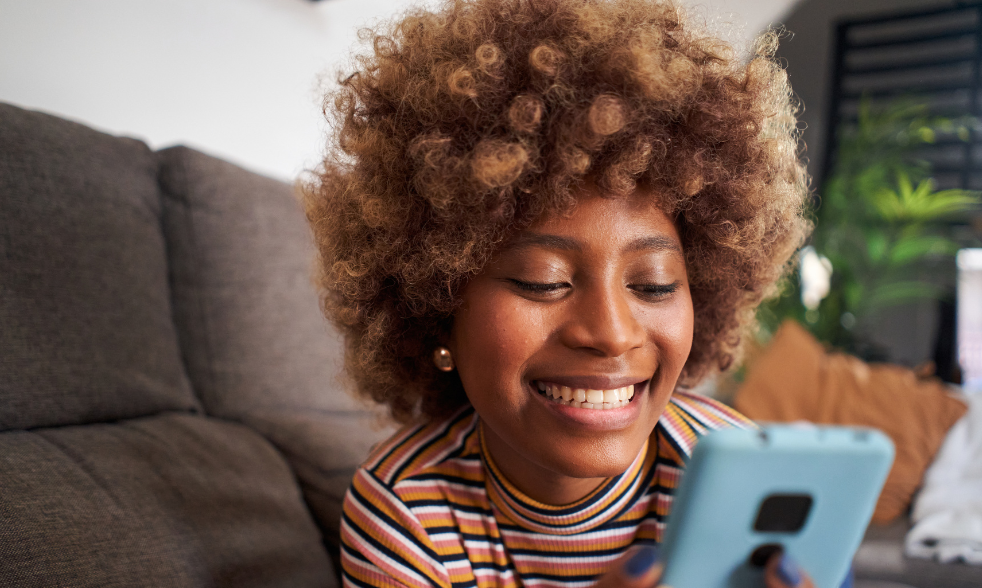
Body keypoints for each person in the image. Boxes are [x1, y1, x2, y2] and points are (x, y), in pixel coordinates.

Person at [303, 0, 812, 586]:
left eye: (653, 284)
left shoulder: (739, 475)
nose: (612, 332)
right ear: (437, 313)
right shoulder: (405, 510)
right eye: (543, 282)